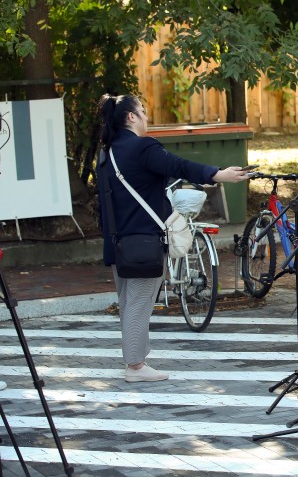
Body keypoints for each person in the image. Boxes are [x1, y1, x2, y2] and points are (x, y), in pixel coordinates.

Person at [96, 94, 250, 383]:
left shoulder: (107, 154)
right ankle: (136, 367)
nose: (145, 116)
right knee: (140, 304)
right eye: (142, 111)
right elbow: (177, 166)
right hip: (144, 242)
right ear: (131, 117)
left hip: (118, 243)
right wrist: (217, 174)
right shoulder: (143, 148)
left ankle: (134, 362)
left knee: (129, 302)